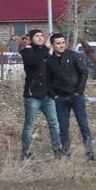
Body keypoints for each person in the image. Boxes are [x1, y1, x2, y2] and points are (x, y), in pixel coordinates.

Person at [46, 33, 93, 162]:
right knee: (63, 127)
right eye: (58, 43)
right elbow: (47, 81)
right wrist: (54, 96)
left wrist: (79, 91)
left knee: (83, 125)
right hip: (60, 99)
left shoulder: (74, 56)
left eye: (63, 42)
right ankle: (66, 155)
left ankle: (90, 154)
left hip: (76, 97)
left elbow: (84, 72)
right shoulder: (49, 61)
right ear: (52, 45)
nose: (61, 45)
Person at [20, 29, 63, 160]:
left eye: (42, 36)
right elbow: (35, 61)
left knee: (54, 123)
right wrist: (47, 48)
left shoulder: (47, 53)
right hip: (33, 96)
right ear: (32, 38)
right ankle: (26, 153)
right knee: (29, 125)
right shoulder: (27, 51)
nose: (40, 38)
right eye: (37, 36)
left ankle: (58, 150)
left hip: (48, 96)